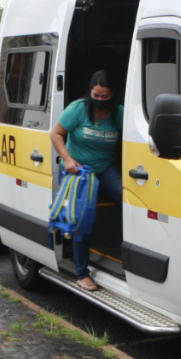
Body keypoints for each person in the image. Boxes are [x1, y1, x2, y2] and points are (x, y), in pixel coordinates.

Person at [49, 70, 123, 292]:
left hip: (105, 167)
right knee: (81, 216)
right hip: (79, 169)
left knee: (127, 200)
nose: (99, 101)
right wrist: (68, 159)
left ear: (112, 95)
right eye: (96, 96)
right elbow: (56, 134)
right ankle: (81, 273)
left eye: (104, 97)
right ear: (90, 92)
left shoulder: (118, 113)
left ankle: (124, 251)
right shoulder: (78, 108)